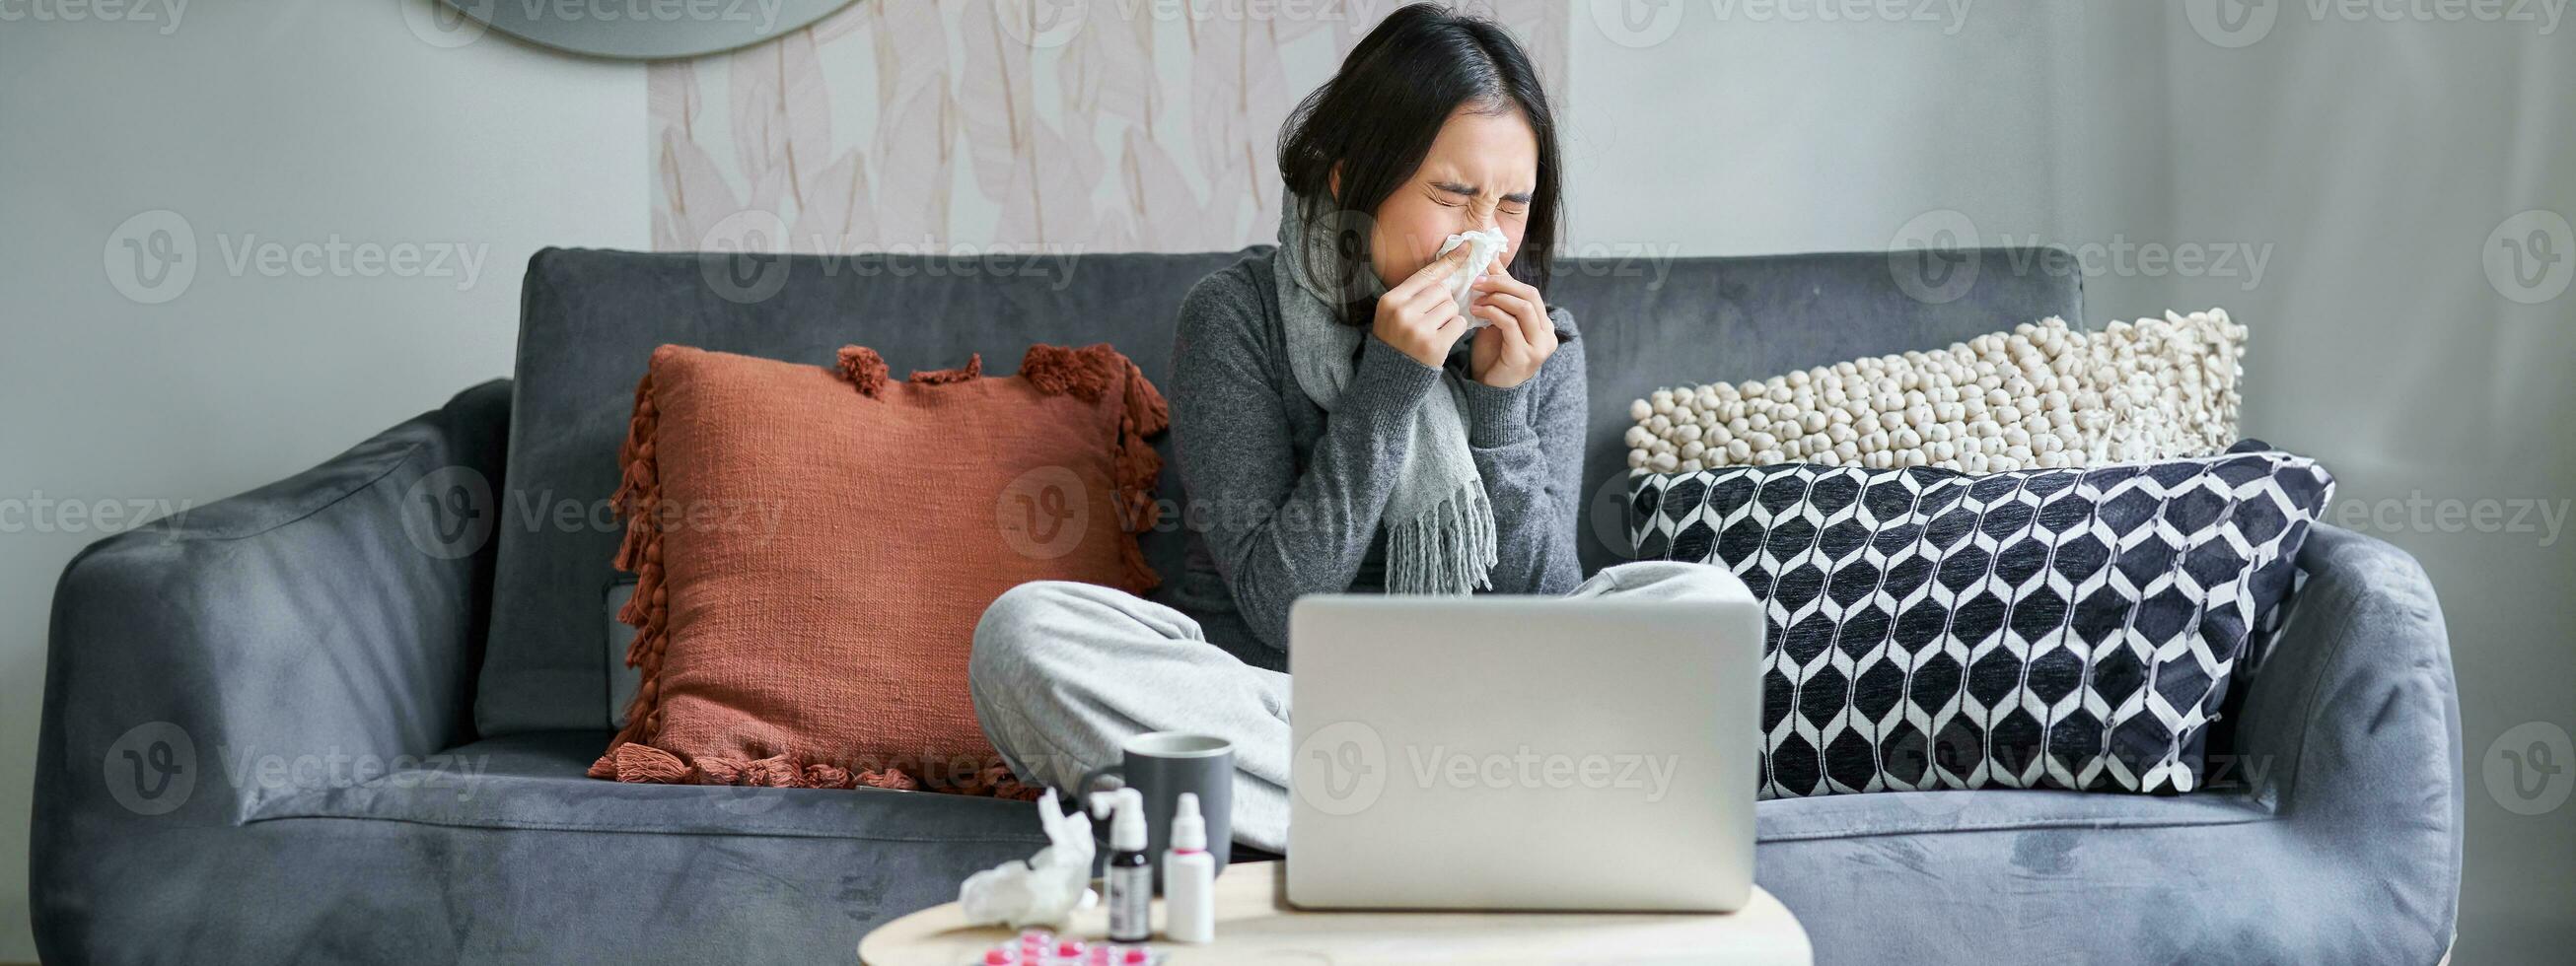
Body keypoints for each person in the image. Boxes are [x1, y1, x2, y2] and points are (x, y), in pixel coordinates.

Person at [968, 3, 1747, 852]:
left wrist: (1500, 413)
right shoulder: (1235, 318)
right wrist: (1387, 389)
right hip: (1275, 708)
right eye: (1453, 196)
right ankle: (1459, 825)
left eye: (1512, 206)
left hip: (1483, 712)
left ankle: (1353, 822)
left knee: (1708, 607)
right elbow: (1278, 605)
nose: (1484, 239)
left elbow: (1551, 617)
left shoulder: (1539, 346)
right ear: (1350, 180)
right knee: (1025, 635)